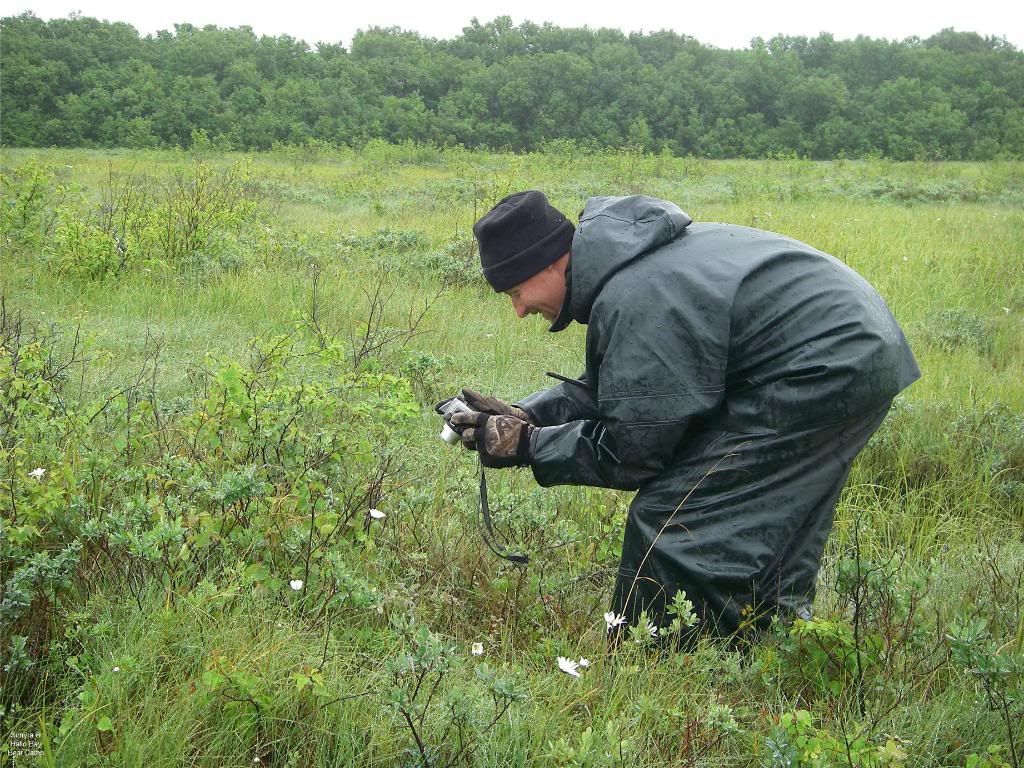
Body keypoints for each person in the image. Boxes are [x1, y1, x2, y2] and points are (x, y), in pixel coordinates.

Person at [445, 190, 920, 639]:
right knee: (760, 515)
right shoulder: (631, 269)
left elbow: (633, 450)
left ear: (548, 263)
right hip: (851, 348)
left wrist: (526, 444)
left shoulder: (638, 294)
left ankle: (661, 662)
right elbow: (627, 393)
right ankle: (773, 642)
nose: (520, 311)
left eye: (515, 291)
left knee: (674, 520)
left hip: (826, 365)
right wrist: (528, 413)